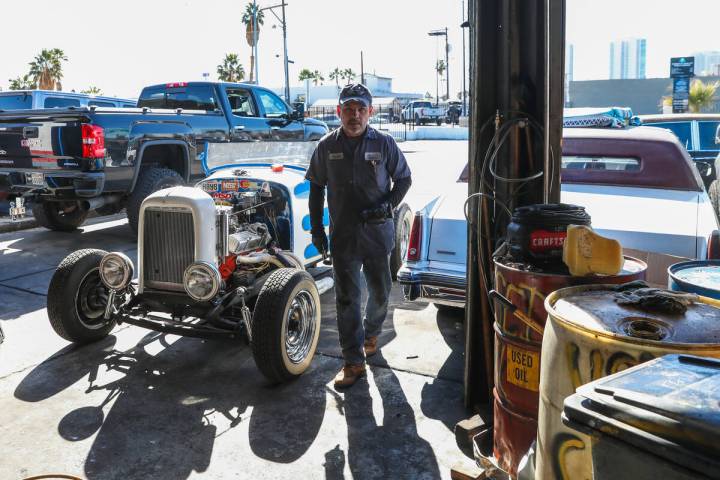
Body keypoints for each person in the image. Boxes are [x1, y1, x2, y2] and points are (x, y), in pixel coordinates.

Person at [305, 84, 412, 389]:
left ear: (370, 112)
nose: (354, 115)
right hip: (344, 237)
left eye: (360, 109)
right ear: (338, 112)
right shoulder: (326, 146)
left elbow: (404, 178)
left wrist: (387, 205)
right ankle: (352, 361)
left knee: (380, 293)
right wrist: (317, 231)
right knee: (347, 299)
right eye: (348, 109)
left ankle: (371, 333)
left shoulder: (384, 143)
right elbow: (316, 187)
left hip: (379, 235)